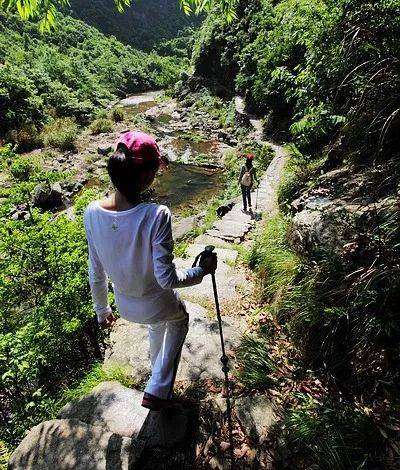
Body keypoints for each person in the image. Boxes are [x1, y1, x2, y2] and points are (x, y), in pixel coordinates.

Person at [84, 130, 217, 411]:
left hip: (123, 306)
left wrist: (102, 310)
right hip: (157, 302)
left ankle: (156, 373)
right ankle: (158, 387)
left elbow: (96, 272)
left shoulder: (91, 212)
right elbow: (166, 278)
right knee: (179, 318)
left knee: (159, 322)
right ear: (146, 176)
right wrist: (201, 272)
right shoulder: (156, 214)